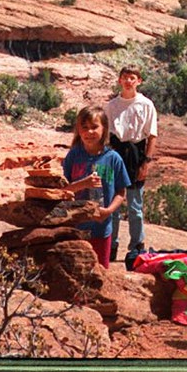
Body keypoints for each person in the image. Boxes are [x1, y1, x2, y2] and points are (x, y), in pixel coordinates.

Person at [63, 105, 130, 268]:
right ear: (78, 130)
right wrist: (83, 184)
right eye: (84, 127)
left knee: (100, 273)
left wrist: (108, 211)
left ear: (104, 128)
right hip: (75, 227)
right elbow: (63, 190)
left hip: (101, 229)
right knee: (76, 272)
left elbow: (121, 192)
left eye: (94, 127)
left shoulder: (113, 158)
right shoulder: (73, 155)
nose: (89, 132)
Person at [105, 66, 159, 262]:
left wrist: (146, 163)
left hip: (136, 154)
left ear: (139, 81)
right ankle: (111, 243)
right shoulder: (111, 106)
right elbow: (106, 136)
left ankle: (136, 245)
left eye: (132, 78)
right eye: (125, 78)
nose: (128, 81)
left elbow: (152, 136)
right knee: (112, 202)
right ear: (120, 81)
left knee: (135, 205)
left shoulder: (146, 104)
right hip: (114, 154)